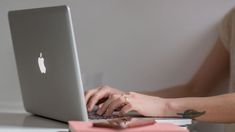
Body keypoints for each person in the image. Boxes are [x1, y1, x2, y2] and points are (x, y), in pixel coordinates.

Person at [85, 7, 235, 123]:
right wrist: (125, 98)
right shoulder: (232, 19)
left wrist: (164, 107)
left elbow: (166, 105)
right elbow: (196, 89)